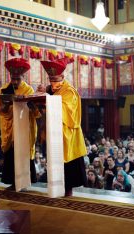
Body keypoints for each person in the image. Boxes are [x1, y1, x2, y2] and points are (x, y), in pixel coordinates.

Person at [39, 58, 87, 196]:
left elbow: (65, 109)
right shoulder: (51, 90)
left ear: (63, 77)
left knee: (69, 167)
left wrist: (46, 96)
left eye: (56, 80)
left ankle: (68, 192)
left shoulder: (69, 91)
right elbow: (47, 109)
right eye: (51, 79)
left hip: (68, 135)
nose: (53, 83)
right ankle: (56, 189)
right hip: (54, 134)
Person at [0, 58, 40, 187]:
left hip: (24, 128)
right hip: (10, 128)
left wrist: (30, 104)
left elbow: (36, 112)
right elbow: (0, 111)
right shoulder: (3, 90)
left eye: (18, 79)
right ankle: (12, 182)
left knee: (23, 155)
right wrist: (6, 104)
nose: (15, 82)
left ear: (22, 77)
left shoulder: (29, 90)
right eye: (13, 79)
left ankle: (24, 182)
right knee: (11, 155)